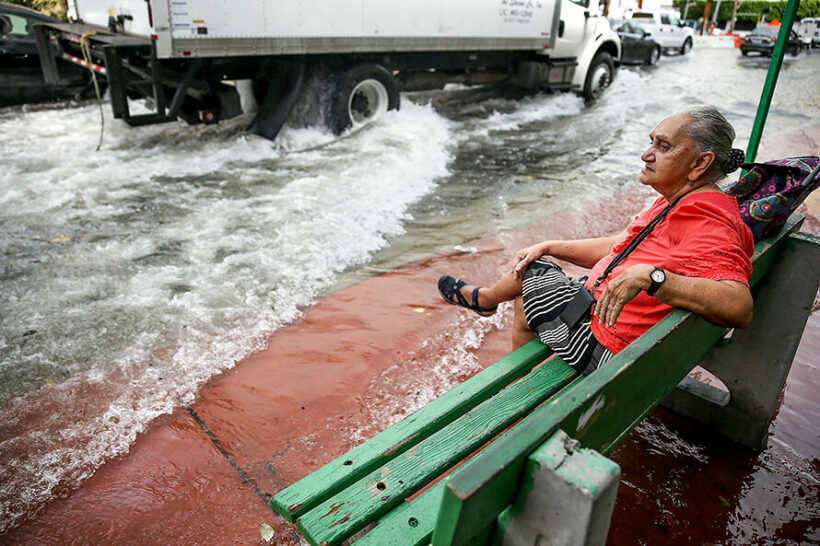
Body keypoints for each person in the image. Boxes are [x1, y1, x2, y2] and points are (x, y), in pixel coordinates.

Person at [438, 106, 754, 375]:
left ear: (700, 163)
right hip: (610, 324)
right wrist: (550, 246)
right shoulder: (683, 200)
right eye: (651, 143)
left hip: (606, 348)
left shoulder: (704, 217)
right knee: (534, 278)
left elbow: (739, 306)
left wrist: (652, 277)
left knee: (531, 274)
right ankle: (508, 353)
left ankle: (491, 314)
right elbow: (619, 246)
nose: (646, 155)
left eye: (664, 147)